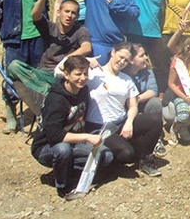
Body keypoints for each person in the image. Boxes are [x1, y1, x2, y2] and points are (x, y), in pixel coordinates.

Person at [31, 55, 113, 201]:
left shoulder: (83, 91)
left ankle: (66, 171)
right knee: (63, 150)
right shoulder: (56, 100)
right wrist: (87, 137)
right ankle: (64, 187)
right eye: (78, 74)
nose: (83, 78)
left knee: (106, 156)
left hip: (74, 143)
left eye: (85, 74)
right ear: (66, 75)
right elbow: (55, 136)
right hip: (47, 147)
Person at [85, 42, 163, 177]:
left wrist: (129, 122)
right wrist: (84, 61)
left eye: (126, 60)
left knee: (154, 120)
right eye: (120, 57)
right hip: (100, 128)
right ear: (113, 52)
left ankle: (146, 160)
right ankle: (108, 159)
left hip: (120, 122)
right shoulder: (92, 74)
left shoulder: (126, 79)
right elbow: (59, 71)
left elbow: (133, 105)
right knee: (128, 154)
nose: (122, 62)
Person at [0, 0, 48, 133]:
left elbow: (46, 5)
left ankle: (40, 112)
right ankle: (11, 115)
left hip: (37, 36)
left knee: (37, 75)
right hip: (14, 38)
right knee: (12, 78)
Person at [8, 0, 91, 100]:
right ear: (58, 12)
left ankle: (50, 93)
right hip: (44, 74)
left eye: (73, 13)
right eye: (66, 11)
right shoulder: (50, 28)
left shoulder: (80, 31)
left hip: (63, 76)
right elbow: (35, 15)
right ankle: (47, 91)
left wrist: (66, 60)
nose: (69, 16)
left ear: (77, 16)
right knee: (14, 66)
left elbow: (86, 47)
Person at [126, 0, 172, 92]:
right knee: (134, 63)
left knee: (160, 64)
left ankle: (162, 92)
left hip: (154, 30)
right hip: (136, 30)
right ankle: (134, 92)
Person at [122, 44, 166, 157]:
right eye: (142, 56)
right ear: (131, 60)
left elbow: (153, 90)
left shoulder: (147, 70)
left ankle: (156, 138)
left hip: (141, 103)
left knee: (155, 103)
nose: (146, 58)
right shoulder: (123, 74)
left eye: (145, 54)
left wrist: (137, 99)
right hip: (124, 109)